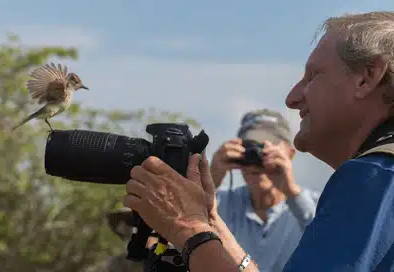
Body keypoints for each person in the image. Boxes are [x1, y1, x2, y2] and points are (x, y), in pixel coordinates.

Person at [123, 11, 394, 272]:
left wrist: (186, 227)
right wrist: (209, 221)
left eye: (313, 76)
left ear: (367, 78)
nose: (292, 97)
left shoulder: (375, 177)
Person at [210, 109, 319, 271]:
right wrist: (210, 179)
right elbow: (181, 224)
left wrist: (291, 191)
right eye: (249, 149)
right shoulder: (217, 202)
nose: (256, 159)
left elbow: (334, 243)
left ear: (289, 154)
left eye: (264, 150)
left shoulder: (318, 206)